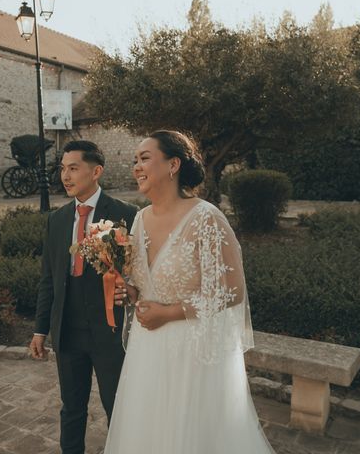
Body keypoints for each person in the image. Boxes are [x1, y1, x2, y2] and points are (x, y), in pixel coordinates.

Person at [105, 131, 275, 453]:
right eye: (134, 161)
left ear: (173, 165)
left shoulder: (206, 218)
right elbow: (145, 287)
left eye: (144, 158)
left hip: (192, 354)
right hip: (149, 352)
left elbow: (233, 291)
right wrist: (129, 291)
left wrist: (169, 312)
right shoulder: (140, 219)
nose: (136, 167)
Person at [29, 140, 138, 454]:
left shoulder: (125, 214)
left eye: (73, 168)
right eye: (63, 168)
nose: (65, 175)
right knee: (71, 407)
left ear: (96, 171)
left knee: (116, 408)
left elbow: (139, 273)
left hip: (109, 330)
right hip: (68, 330)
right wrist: (40, 330)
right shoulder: (58, 219)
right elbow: (48, 279)